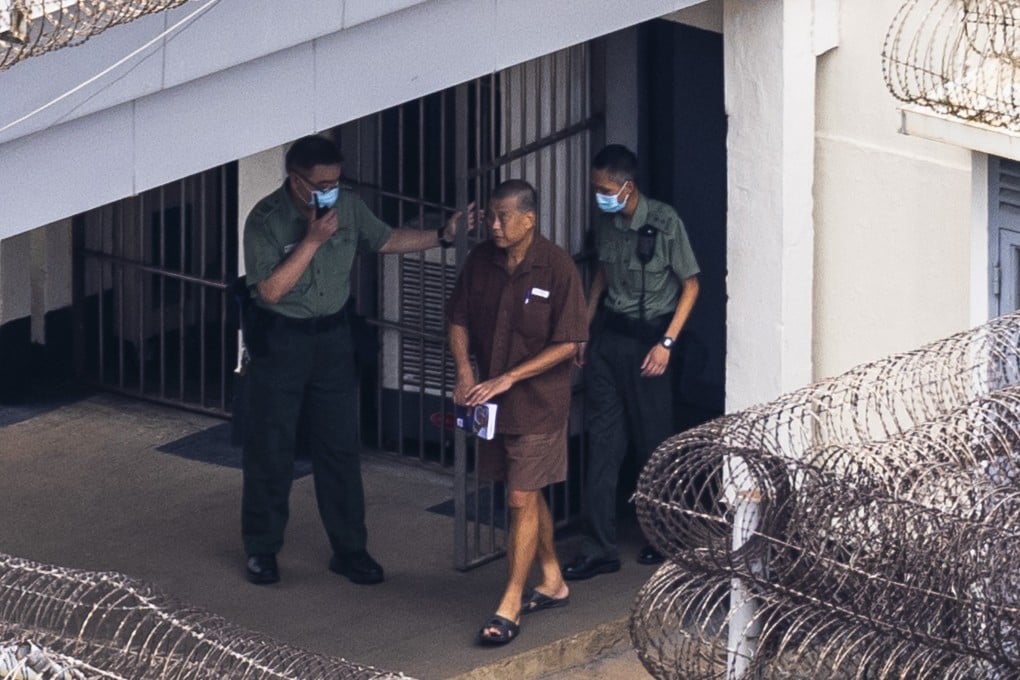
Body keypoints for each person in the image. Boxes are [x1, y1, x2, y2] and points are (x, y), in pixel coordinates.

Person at [241, 134, 472, 586]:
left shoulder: (346, 205)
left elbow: (383, 239)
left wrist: (442, 236)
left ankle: (350, 549)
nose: (330, 189)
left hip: (332, 337)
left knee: (340, 447)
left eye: (335, 180)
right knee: (272, 448)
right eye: (321, 183)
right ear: (296, 180)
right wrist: (311, 241)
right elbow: (269, 291)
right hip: (282, 339)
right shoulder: (266, 220)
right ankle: (262, 548)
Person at [447, 179, 588, 645]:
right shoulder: (481, 261)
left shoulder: (558, 267)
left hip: (541, 403)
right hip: (492, 402)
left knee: (519, 499)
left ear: (530, 219)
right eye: (490, 215)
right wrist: (465, 371)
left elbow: (570, 341)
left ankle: (510, 603)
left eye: (503, 217)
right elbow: (459, 317)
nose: (494, 225)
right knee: (523, 491)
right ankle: (552, 579)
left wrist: (511, 377)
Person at [562, 144, 700, 581]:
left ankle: (663, 537)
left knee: (653, 446)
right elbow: (602, 274)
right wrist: (584, 328)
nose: (599, 196)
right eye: (596, 189)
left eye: (605, 189)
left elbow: (691, 285)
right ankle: (598, 546)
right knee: (604, 446)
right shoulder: (607, 222)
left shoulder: (664, 222)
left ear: (628, 186)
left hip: (650, 343)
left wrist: (666, 343)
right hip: (610, 340)